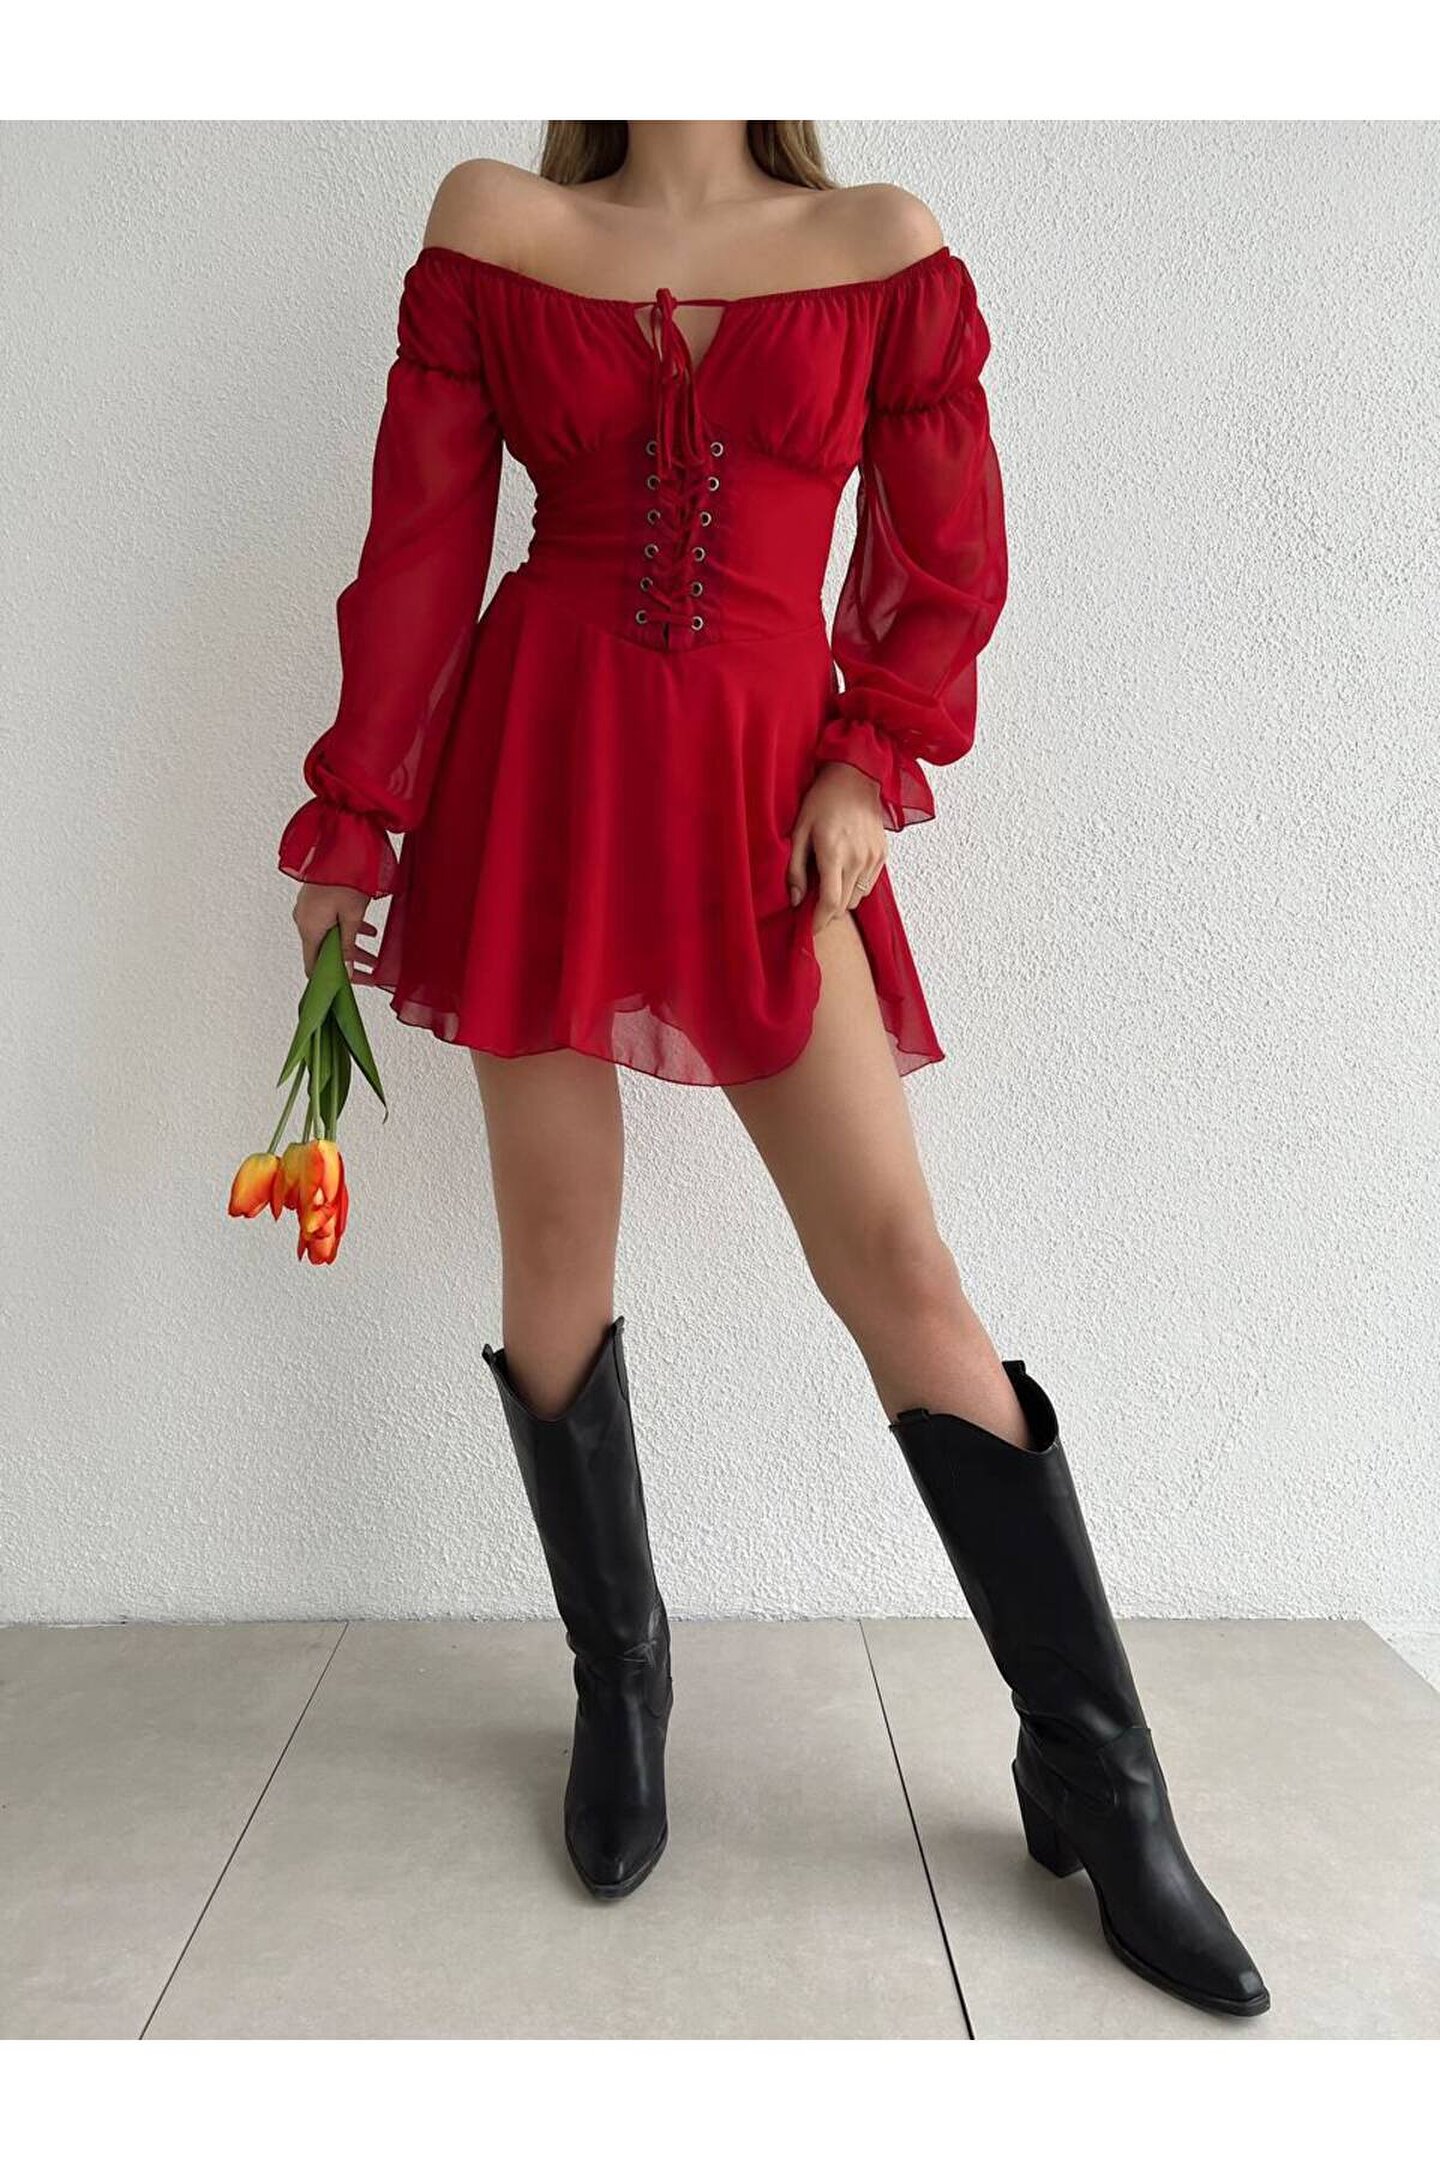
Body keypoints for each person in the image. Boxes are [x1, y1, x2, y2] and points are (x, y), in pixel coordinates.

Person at [277, 121, 1268, 2017]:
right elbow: (420, 545)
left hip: (761, 796)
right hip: (541, 768)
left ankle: (1098, 1772)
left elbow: (942, 558)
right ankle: (621, 1678)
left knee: (899, 1268)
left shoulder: (881, 243)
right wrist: (356, 815)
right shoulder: (496, 225)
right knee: (552, 1248)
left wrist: (868, 759)